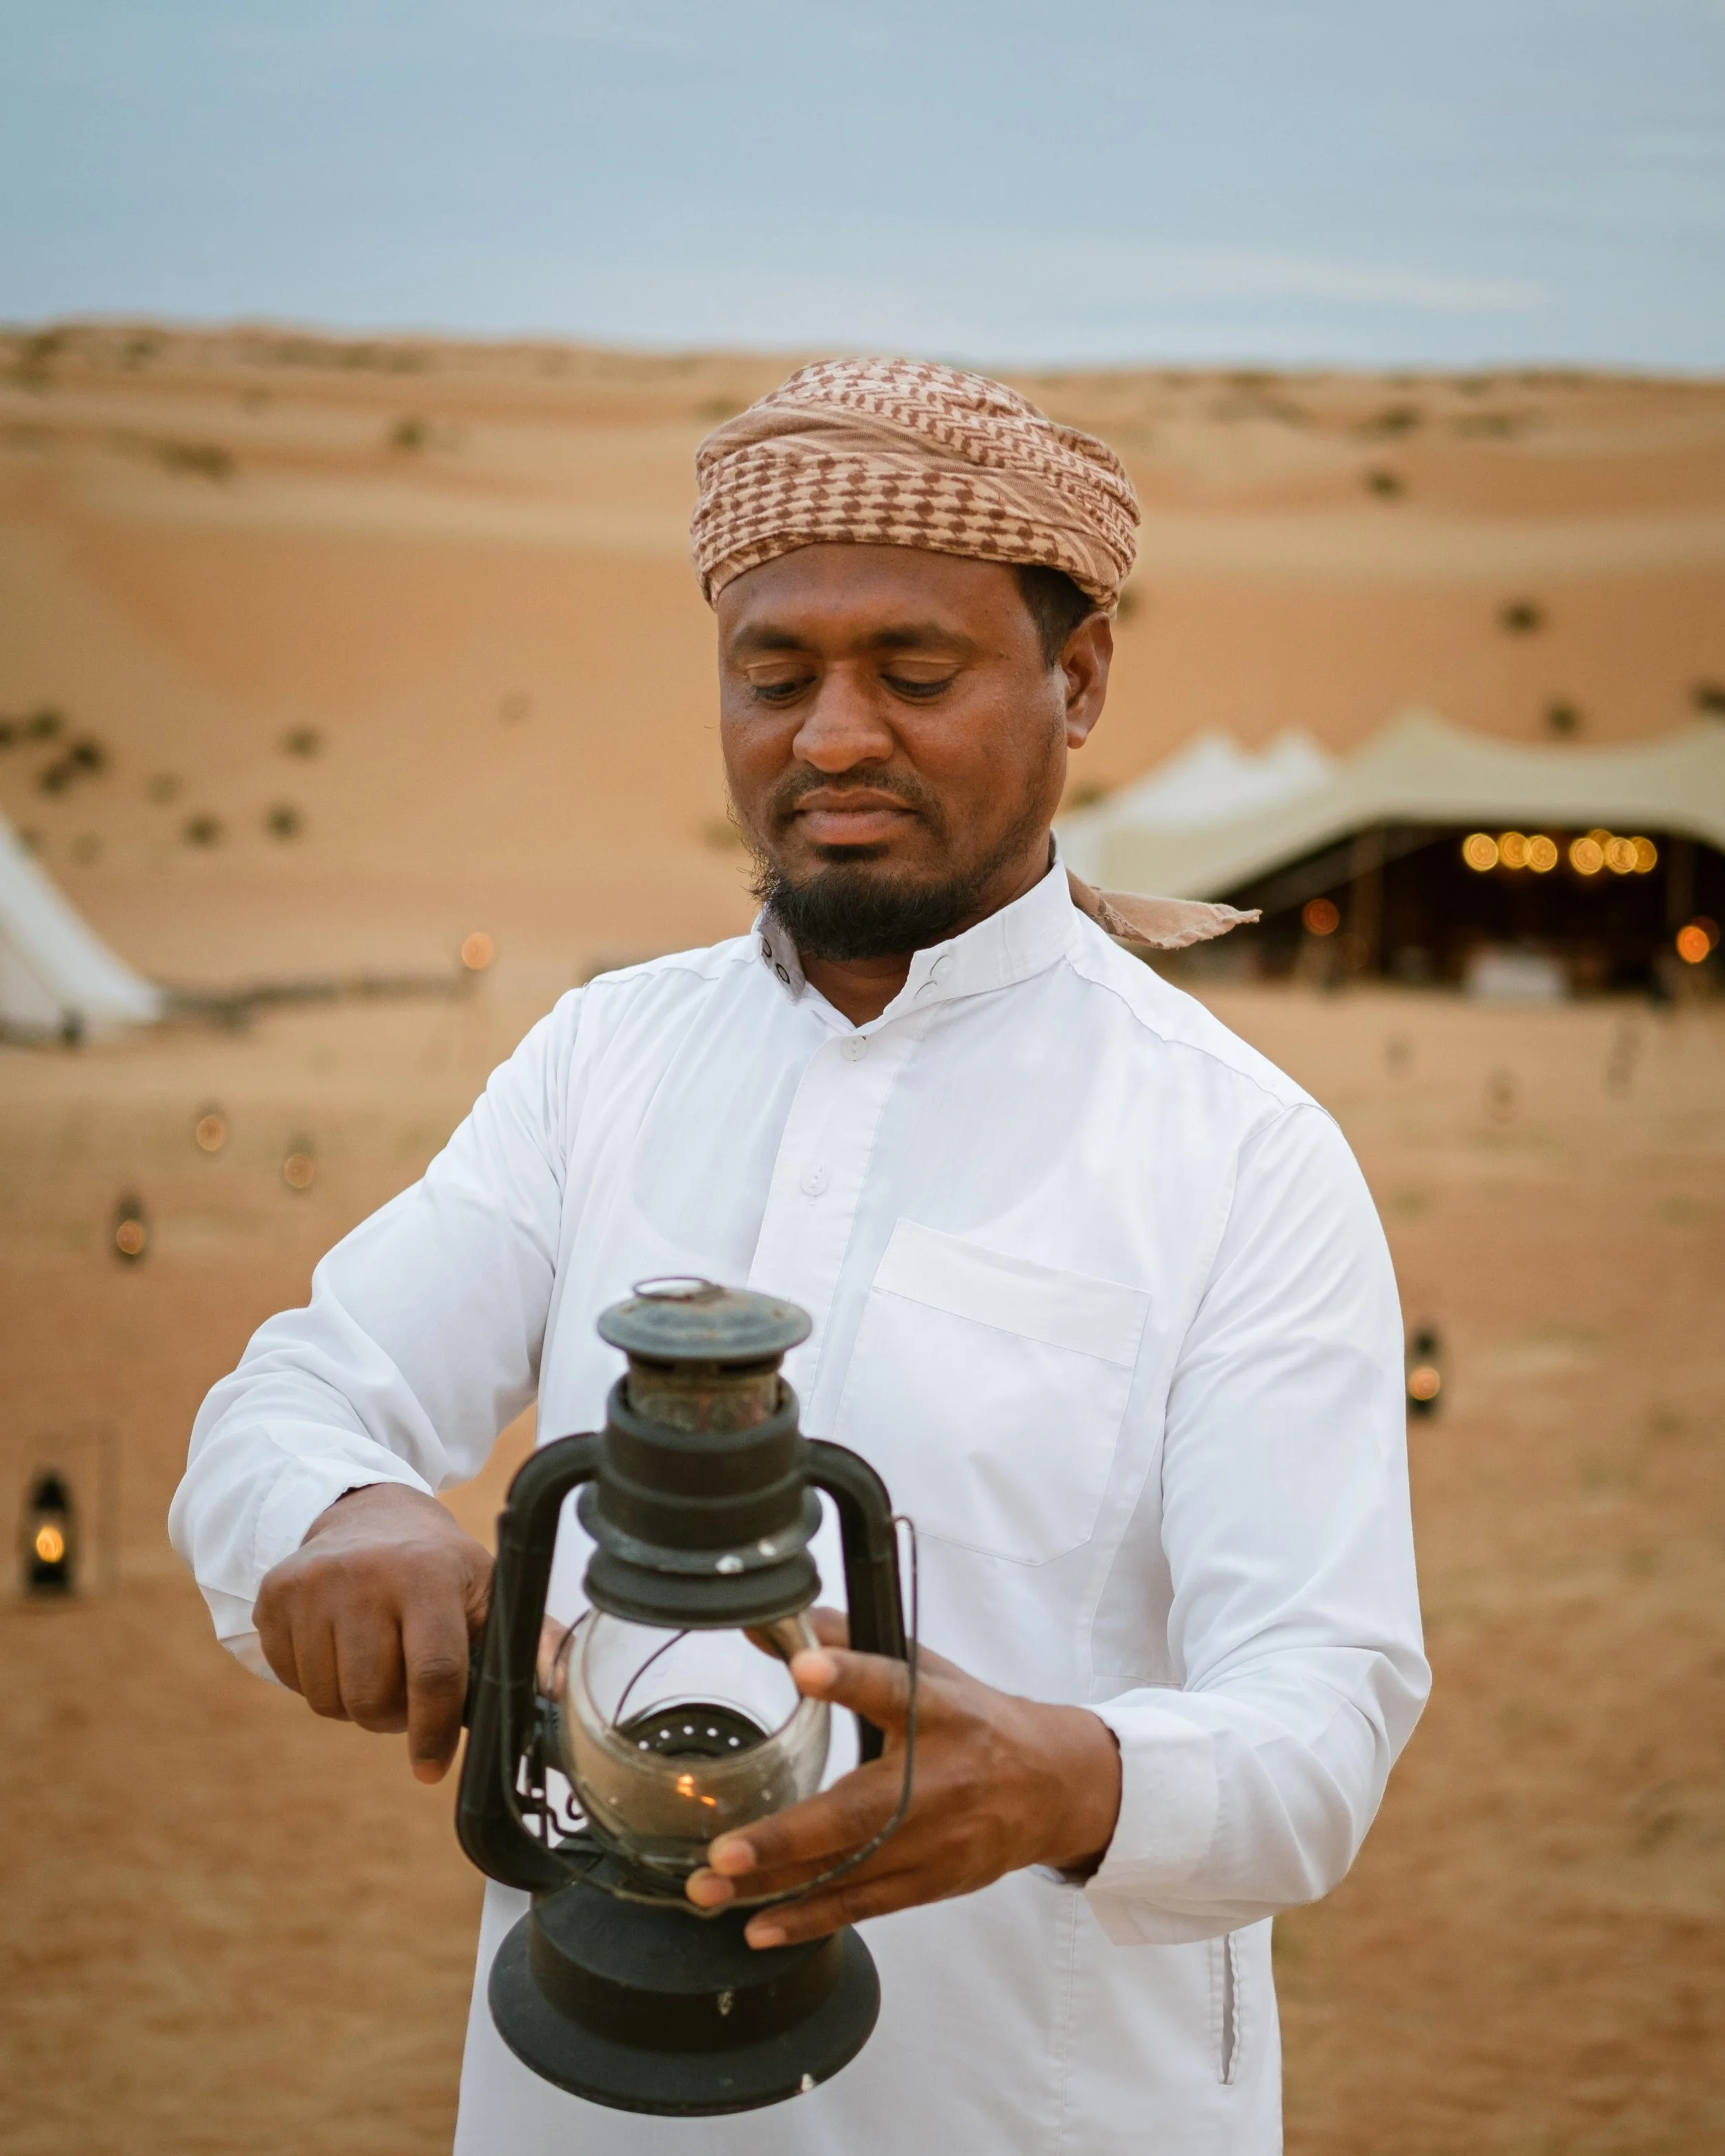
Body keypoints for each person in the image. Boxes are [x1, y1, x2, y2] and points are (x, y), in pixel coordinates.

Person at [171, 357, 1428, 2155]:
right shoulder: (601, 1061)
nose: (832, 736)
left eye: (913, 674)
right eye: (773, 676)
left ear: (1074, 682)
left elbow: (1319, 1724)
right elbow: (298, 1390)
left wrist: (1069, 1777)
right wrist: (339, 1514)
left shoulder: (1238, 1155)